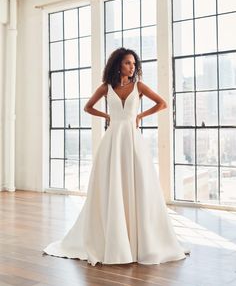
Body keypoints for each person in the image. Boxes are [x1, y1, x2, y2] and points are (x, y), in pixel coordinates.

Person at [43, 47, 190, 266]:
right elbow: (88, 107)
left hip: (132, 140)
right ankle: (112, 237)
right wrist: (106, 115)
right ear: (117, 65)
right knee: (111, 185)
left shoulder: (138, 86)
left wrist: (140, 115)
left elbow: (162, 103)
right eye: (128, 63)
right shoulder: (106, 87)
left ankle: (138, 240)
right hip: (112, 141)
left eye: (133, 63)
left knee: (137, 185)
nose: (132, 67)